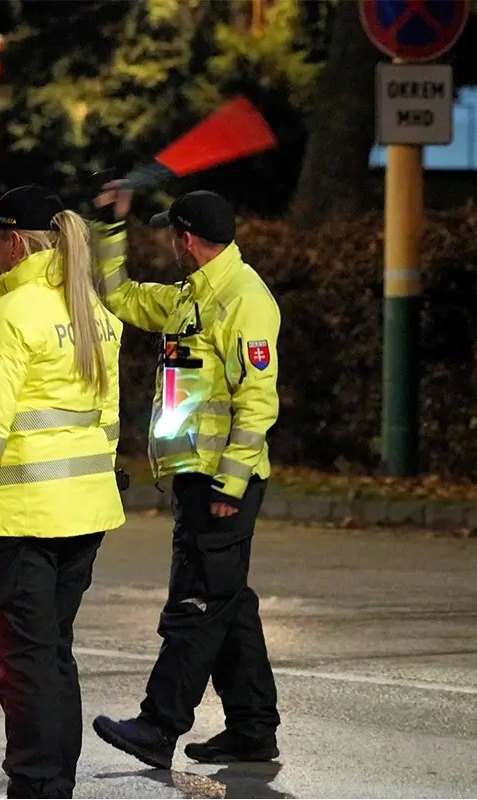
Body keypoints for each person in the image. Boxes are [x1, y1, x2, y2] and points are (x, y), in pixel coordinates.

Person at [0, 184, 126, 798]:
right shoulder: (94, 315)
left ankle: (37, 787)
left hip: (17, 523)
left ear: (14, 242)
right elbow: (108, 423)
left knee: (25, 667)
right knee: (54, 657)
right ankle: (54, 784)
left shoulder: (5, 321)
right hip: (84, 515)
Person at [87, 185, 282, 768]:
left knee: (197, 604)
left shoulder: (245, 300)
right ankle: (251, 728)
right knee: (227, 604)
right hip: (194, 480)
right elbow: (118, 296)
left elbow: (259, 401)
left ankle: (158, 725)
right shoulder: (185, 298)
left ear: (187, 237)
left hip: (220, 483)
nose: (171, 243)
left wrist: (230, 482)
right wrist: (108, 229)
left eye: (172, 234)